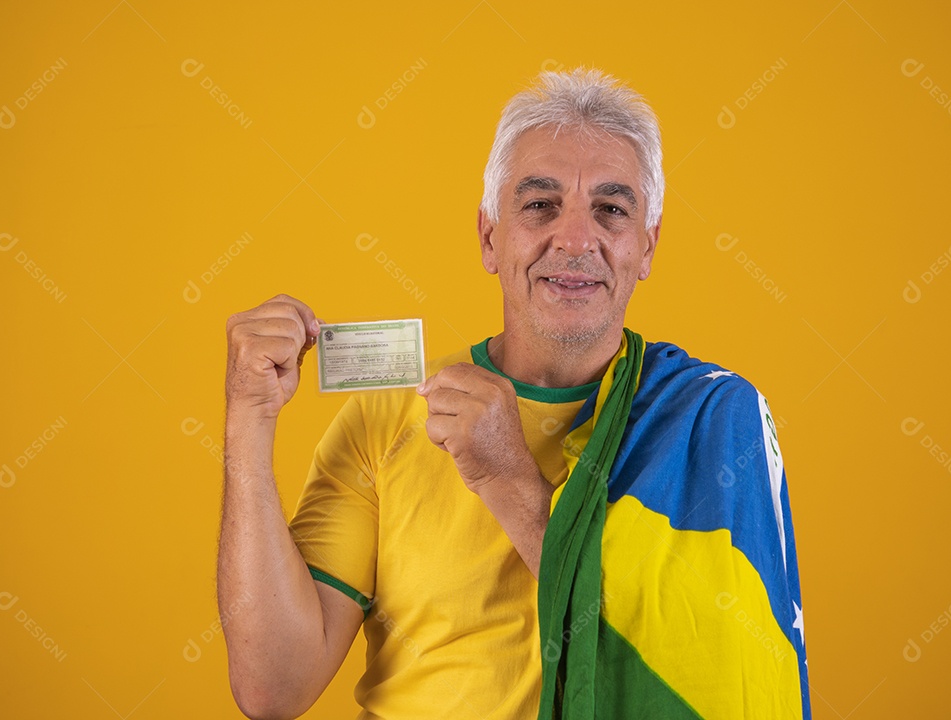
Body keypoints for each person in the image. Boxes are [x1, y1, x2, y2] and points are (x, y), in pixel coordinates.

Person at [219, 68, 810, 720]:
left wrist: (508, 479)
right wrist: (250, 421)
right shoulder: (389, 415)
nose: (577, 239)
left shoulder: (709, 418)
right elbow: (274, 688)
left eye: (612, 210)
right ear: (489, 238)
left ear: (646, 246)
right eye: (539, 205)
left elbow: (710, 674)